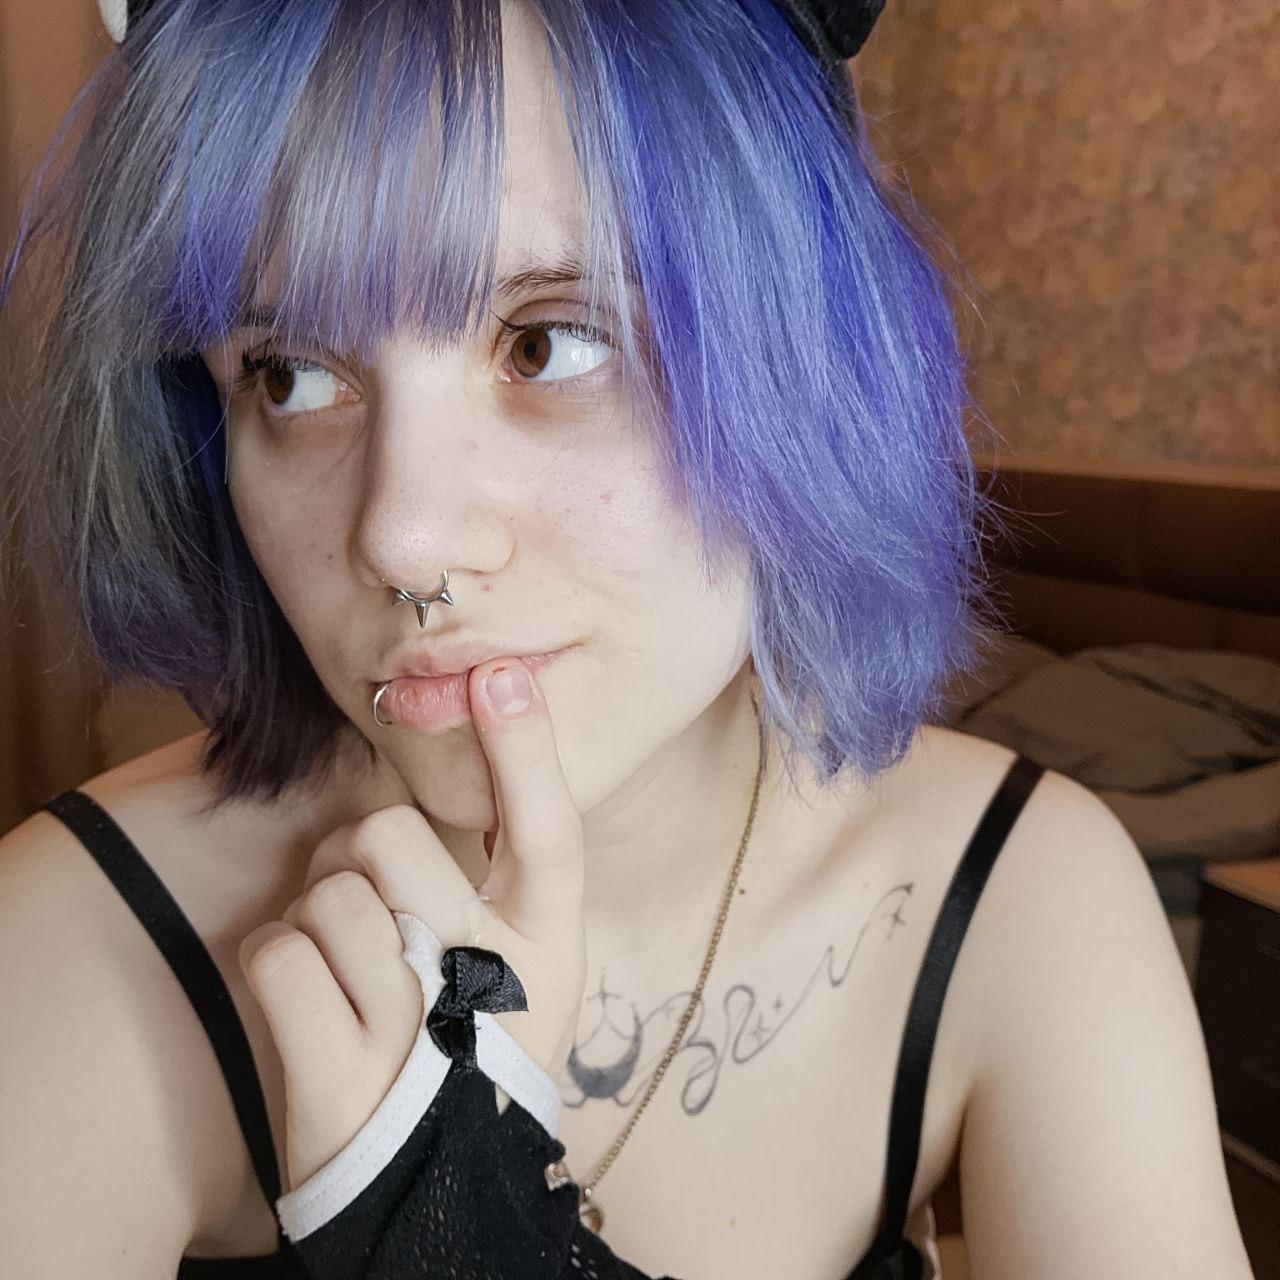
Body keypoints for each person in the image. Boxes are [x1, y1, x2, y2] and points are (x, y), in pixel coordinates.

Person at [0, 0, 1254, 1277]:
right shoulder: (70, 950)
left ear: (811, 359)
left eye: (546, 342)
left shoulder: (1014, 894)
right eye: (287, 374)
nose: (403, 538)